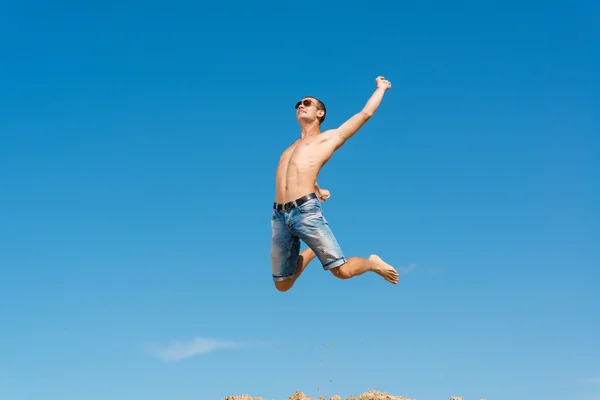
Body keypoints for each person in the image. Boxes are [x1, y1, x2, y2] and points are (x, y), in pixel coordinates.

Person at [270, 76, 399, 292]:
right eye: (298, 104)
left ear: (320, 113)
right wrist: (318, 187)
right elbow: (300, 172)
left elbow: (365, 114)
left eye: (307, 103)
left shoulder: (328, 138)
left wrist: (381, 88)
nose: (301, 105)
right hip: (279, 216)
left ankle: (372, 263)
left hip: (305, 212)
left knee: (342, 271)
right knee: (283, 285)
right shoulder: (291, 146)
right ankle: (313, 250)